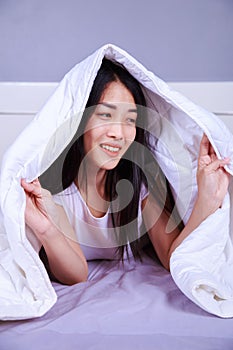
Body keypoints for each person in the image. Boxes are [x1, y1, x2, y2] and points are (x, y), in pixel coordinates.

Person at [21, 58, 230, 286]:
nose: (118, 133)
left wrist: (206, 202)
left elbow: (174, 258)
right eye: (105, 115)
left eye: (130, 119)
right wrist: (47, 229)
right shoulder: (53, 187)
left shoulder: (142, 179)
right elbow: (77, 274)